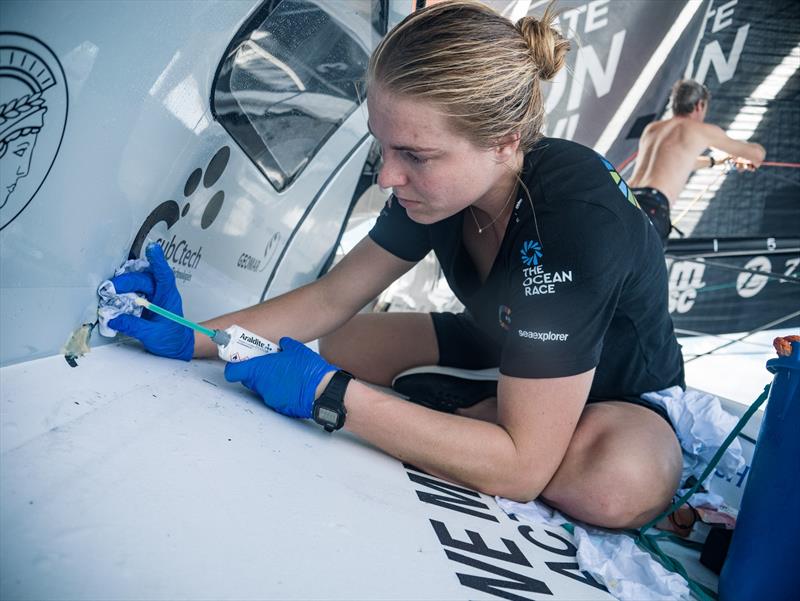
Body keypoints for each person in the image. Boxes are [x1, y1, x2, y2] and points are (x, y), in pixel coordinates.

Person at [109, 0, 685, 529]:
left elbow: (522, 474)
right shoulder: (441, 187)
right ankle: (468, 421)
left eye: (415, 155)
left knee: (618, 483)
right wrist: (199, 338)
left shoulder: (576, 215)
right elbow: (331, 299)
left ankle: (472, 422)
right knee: (341, 339)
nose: (388, 176)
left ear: (507, 141)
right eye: (382, 147)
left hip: (617, 393)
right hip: (499, 345)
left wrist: (331, 396)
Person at [628, 78, 767, 242]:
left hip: (626, 197)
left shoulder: (653, 129)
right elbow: (757, 155)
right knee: (643, 266)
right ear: (699, 105)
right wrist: (748, 155)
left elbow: (678, 163)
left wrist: (717, 161)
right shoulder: (700, 130)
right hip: (652, 206)